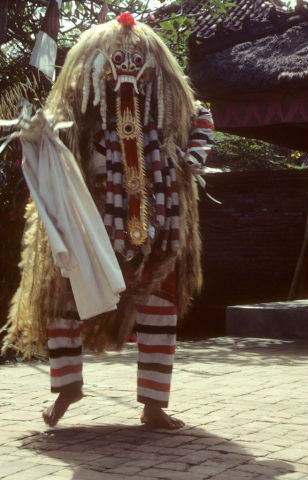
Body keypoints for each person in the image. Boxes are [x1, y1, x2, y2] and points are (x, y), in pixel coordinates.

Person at [3, 13, 215, 429]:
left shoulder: (170, 110)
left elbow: (202, 119)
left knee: (160, 308)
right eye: (116, 57)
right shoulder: (81, 114)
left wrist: (193, 157)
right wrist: (37, 133)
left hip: (161, 227)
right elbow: (54, 142)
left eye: (137, 58)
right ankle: (68, 387)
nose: (127, 66)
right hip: (93, 227)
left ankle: (154, 404)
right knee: (65, 302)